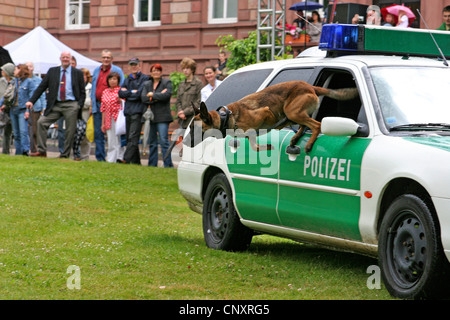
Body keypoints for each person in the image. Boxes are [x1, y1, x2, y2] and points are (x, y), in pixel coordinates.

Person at [26, 51, 86, 158]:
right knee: (41, 122)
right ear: (60, 58)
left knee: (70, 129)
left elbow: (82, 92)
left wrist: (78, 105)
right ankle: (42, 151)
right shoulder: (53, 71)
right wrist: (31, 101)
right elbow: (41, 87)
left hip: (71, 104)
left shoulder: (77, 73)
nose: (65, 59)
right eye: (63, 57)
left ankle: (65, 154)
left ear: (71, 59)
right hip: (56, 104)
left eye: (67, 57)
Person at [91, 49, 125, 161]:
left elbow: (123, 89)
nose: (105, 59)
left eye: (108, 57)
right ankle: (100, 158)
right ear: (101, 58)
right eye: (104, 57)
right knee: (98, 134)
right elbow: (93, 88)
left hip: (115, 111)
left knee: (116, 136)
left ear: (112, 59)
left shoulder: (117, 70)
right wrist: (92, 103)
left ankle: (118, 157)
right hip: (99, 106)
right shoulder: (96, 70)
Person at [141, 64, 173, 168]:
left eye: (158, 70)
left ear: (161, 72)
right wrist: (159, 95)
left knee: (164, 141)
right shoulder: (147, 84)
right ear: (151, 73)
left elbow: (167, 96)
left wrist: (152, 95)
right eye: (154, 71)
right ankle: (152, 164)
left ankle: (168, 165)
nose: (156, 73)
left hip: (163, 116)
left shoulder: (166, 82)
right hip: (150, 117)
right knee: (153, 142)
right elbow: (144, 98)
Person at [118, 57, 149, 165]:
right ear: (129, 67)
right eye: (132, 65)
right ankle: (136, 163)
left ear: (139, 65)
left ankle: (125, 159)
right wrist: (132, 93)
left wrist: (128, 93)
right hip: (128, 111)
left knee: (133, 137)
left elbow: (140, 94)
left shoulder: (145, 78)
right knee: (129, 138)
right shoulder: (127, 79)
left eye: (135, 64)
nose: (134, 66)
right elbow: (120, 94)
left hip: (138, 112)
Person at [6, 64, 35, 156]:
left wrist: (28, 110)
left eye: (16, 69)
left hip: (22, 110)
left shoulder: (29, 82)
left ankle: (25, 151)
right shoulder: (14, 81)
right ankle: (18, 152)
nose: (14, 71)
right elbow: (7, 94)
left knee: (23, 132)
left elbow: (32, 97)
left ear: (20, 70)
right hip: (13, 109)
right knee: (16, 133)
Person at [100, 72, 124, 163]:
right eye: (110, 79)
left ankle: (120, 157)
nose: (112, 81)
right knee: (111, 139)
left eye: (114, 79)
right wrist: (103, 123)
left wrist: (120, 100)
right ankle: (111, 159)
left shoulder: (121, 90)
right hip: (108, 118)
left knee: (119, 139)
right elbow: (103, 108)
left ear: (118, 81)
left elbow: (125, 104)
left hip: (118, 117)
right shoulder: (105, 91)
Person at [176, 57, 203, 129]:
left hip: (194, 118)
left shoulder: (198, 83)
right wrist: (180, 112)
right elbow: (178, 101)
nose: (185, 70)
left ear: (192, 69)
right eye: (183, 68)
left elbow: (199, 102)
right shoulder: (181, 84)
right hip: (182, 119)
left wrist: (185, 112)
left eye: (187, 68)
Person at [25, 61, 46, 154]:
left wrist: (43, 106)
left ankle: (35, 150)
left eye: (31, 66)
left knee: (35, 130)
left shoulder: (38, 80)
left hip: (36, 108)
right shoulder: (23, 80)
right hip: (25, 108)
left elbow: (42, 94)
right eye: (27, 66)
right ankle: (28, 149)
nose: (29, 68)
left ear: (33, 68)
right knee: (26, 130)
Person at [73, 68, 92, 161]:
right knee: (73, 136)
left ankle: (85, 157)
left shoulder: (90, 87)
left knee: (85, 137)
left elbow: (89, 102)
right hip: (74, 115)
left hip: (85, 114)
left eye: (84, 75)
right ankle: (73, 155)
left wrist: (79, 103)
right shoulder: (73, 87)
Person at [0, 63, 14, 155]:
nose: (1, 71)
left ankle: (5, 151)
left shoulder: (14, 82)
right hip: (1, 109)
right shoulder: (1, 81)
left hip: (10, 109)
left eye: (3, 70)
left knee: (8, 132)